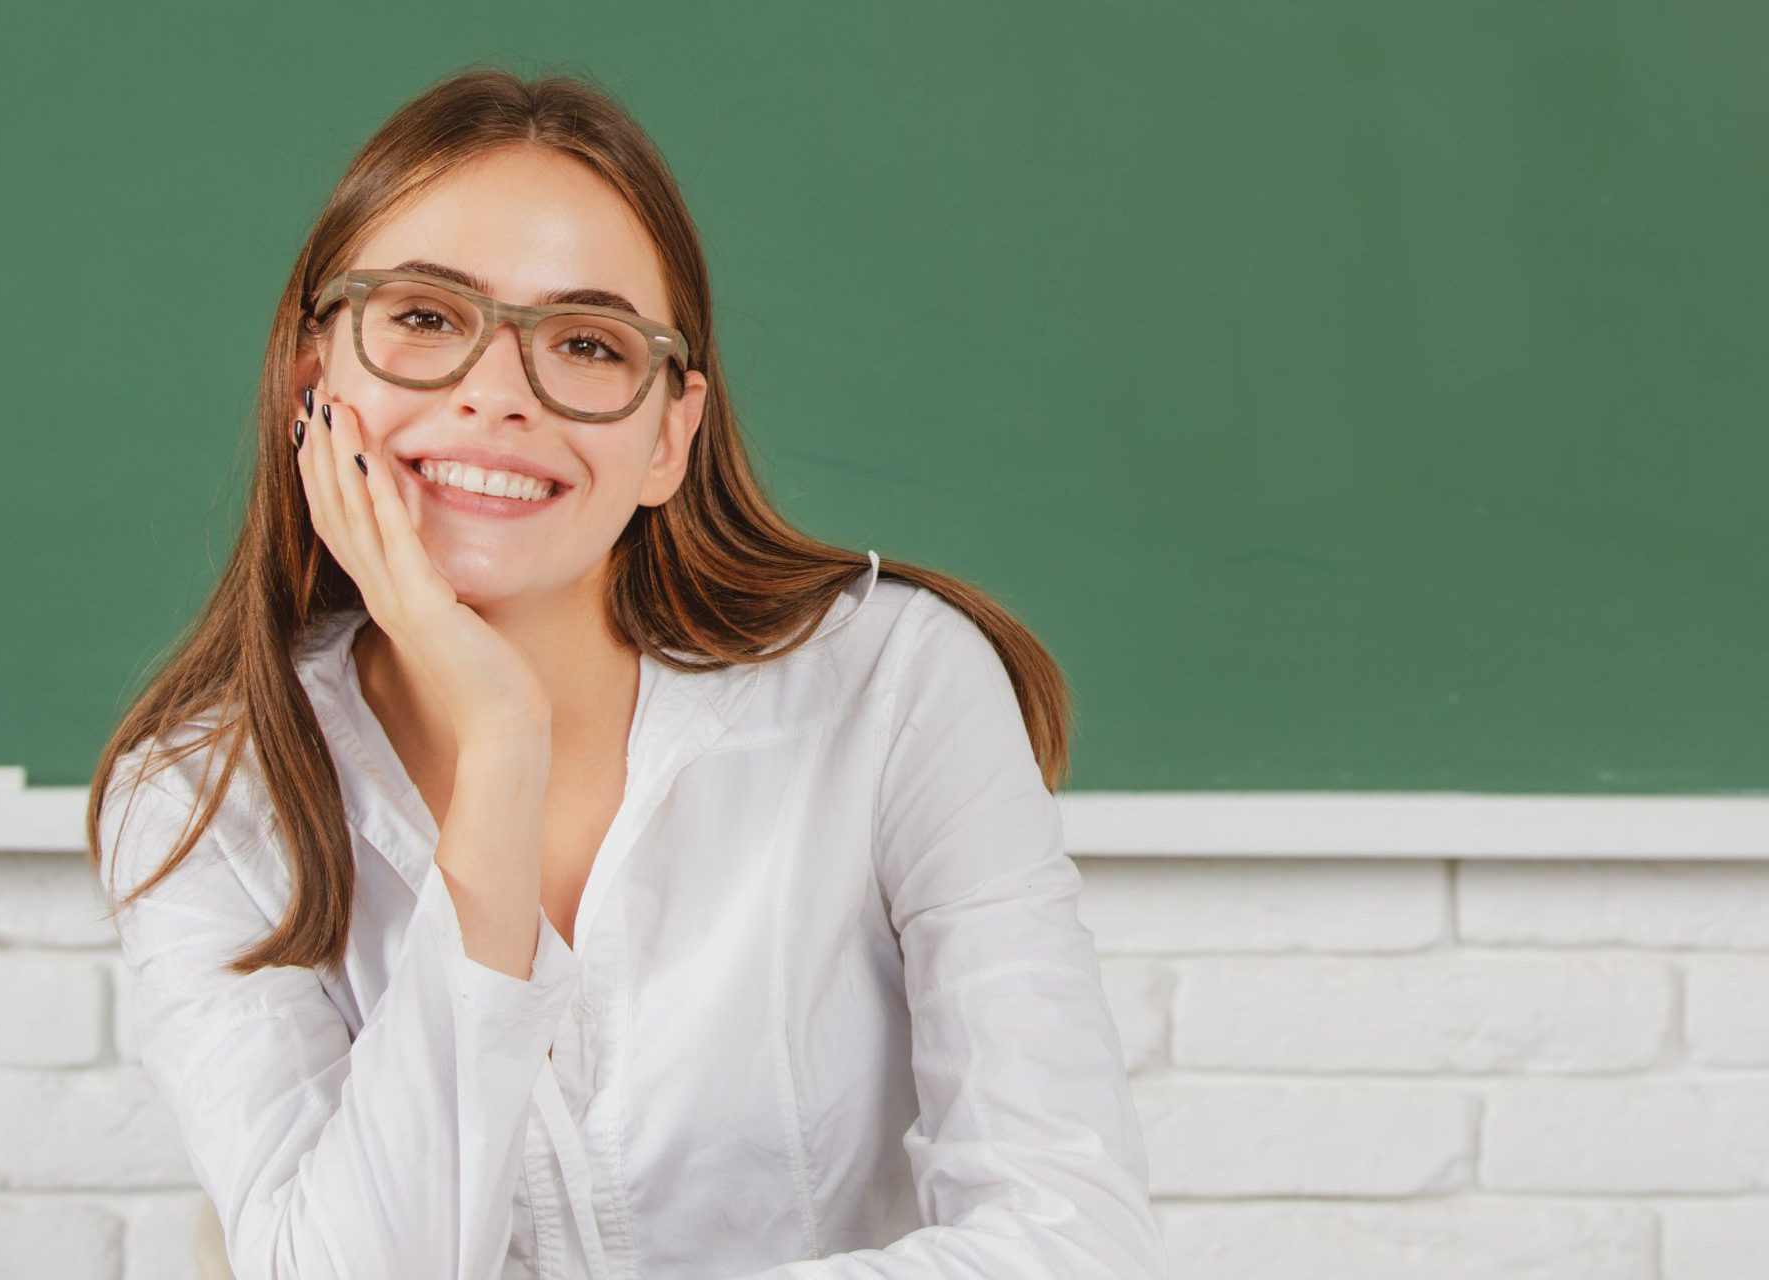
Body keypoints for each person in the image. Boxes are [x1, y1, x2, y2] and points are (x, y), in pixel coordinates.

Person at [88, 66, 1167, 1280]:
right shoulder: (197, 795)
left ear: (668, 437)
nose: (495, 396)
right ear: (310, 379)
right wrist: (499, 745)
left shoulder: (896, 684)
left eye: (587, 344)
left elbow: (1076, 1239)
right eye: (426, 318)